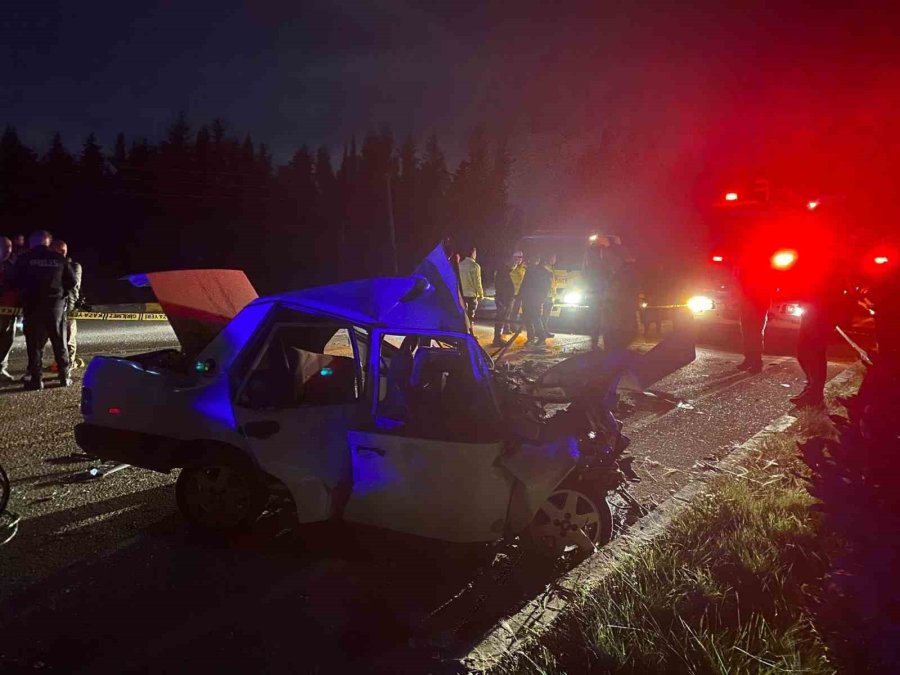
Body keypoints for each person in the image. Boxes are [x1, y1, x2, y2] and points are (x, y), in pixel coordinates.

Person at [11, 230, 76, 390]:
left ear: (32, 243)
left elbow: (13, 279)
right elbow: (72, 281)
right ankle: (63, 375)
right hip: (55, 306)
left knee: (34, 344)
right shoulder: (58, 258)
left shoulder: (24, 259)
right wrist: (61, 294)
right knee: (59, 340)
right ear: (48, 241)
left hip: (32, 306)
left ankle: (36, 379)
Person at [49, 239, 82, 370]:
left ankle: (69, 363)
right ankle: (61, 363)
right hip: (55, 306)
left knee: (68, 337)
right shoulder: (52, 265)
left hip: (69, 306)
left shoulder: (73, 266)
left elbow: (73, 287)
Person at [601, 245, 640, 352]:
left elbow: (621, 299)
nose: (606, 262)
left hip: (619, 327)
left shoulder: (625, 275)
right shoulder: (616, 274)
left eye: (609, 258)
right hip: (615, 325)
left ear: (618, 258)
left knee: (614, 355)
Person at [519, 256, 553, 344]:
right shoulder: (546, 273)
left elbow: (524, 284)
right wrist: (542, 298)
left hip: (529, 298)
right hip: (534, 299)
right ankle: (535, 337)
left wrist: (520, 296)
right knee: (533, 317)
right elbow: (546, 288)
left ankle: (537, 337)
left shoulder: (531, 270)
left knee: (531, 318)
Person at [0, 237, 16, 381]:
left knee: (8, 339)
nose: (8, 250)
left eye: (9, 247)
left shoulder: (12, 265)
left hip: (11, 309)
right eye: (4, 247)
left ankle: (1, 368)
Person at [492, 255, 517, 347]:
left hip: (505, 299)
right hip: (503, 299)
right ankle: (497, 339)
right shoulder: (503, 272)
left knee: (502, 318)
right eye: (512, 261)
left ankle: (498, 338)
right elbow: (502, 287)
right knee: (500, 319)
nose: (514, 263)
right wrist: (503, 300)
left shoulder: (503, 271)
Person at [458, 246, 484, 325]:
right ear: (472, 253)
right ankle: (470, 333)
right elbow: (477, 282)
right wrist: (481, 294)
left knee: (463, 315)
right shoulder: (475, 266)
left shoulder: (460, 265)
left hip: (463, 294)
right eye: (475, 253)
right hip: (472, 294)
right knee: (471, 315)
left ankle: (465, 332)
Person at [507, 251, 526, 331]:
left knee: (515, 311)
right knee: (509, 311)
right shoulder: (510, 268)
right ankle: (506, 327)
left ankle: (513, 326)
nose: (519, 259)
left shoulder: (523, 269)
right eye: (518, 257)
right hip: (511, 293)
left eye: (521, 257)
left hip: (519, 293)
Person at [541, 254, 559, 339]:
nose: (554, 259)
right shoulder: (546, 268)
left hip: (550, 295)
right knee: (544, 315)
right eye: (553, 257)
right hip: (546, 296)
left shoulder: (551, 268)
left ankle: (544, 330)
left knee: (546, 315)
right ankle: (542, 331)